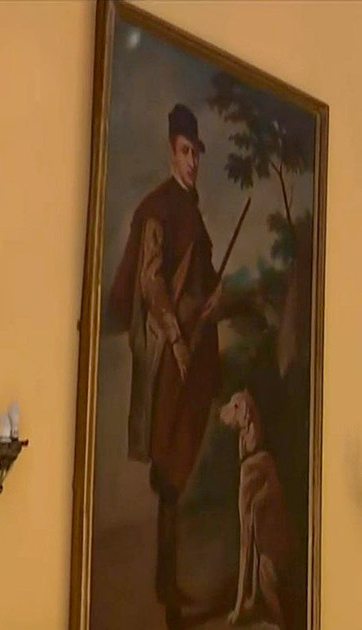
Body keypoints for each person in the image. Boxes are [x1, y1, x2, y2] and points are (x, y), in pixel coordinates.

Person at [107, 103, 222, 629]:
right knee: (170, 466)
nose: (192, 161)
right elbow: (151, 282)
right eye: (185, 151)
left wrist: (215, 299)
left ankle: (167, 580)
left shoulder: (193, 211)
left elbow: (202, 277)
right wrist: (175, 336)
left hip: (198, 351)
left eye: (197, 153)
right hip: (173, 353)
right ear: (171, 152)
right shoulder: (157, 209)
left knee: (181, 462)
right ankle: (167, 588)